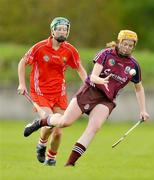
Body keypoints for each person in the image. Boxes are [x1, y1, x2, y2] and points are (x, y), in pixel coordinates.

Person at [23, 30, 150, 166]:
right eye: (125, 44)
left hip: (106, 100)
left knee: (94, 127)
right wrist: (100, 81)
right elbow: (93, 75)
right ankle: (40, 123)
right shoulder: (105, 54)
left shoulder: (133, 65)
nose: (127, 48)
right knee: (64, 122)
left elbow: (139, 88)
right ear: (119, 42)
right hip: (90, 91)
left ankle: (69, 164)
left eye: (131, 46)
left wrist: (143, 110)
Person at [18, 17, 87, 166]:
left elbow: (79, 68)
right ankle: (42, 143)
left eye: (65, 29)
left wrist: (88, 85)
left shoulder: (70, 50)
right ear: (53, 30)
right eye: (59, 29)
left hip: (59, 93)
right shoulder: (39, 47)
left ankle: (51, 158)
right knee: (49, 122)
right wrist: (22, 84)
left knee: (59, 129)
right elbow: (22, 62)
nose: (62, 31)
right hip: (40, 92)